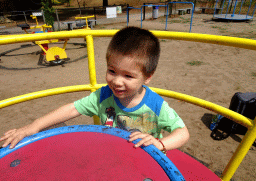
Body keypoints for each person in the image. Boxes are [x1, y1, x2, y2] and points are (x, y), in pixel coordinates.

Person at [0, 27, 189, 153]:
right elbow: (71, 109)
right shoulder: (103, 95)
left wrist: (160, 144)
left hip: (145, 159)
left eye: (128, 76)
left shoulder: (155, 105)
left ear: (148, 76)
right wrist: (31, 128)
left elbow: (182, 133)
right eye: (112, 71)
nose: (117, 82)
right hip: (112, 153)